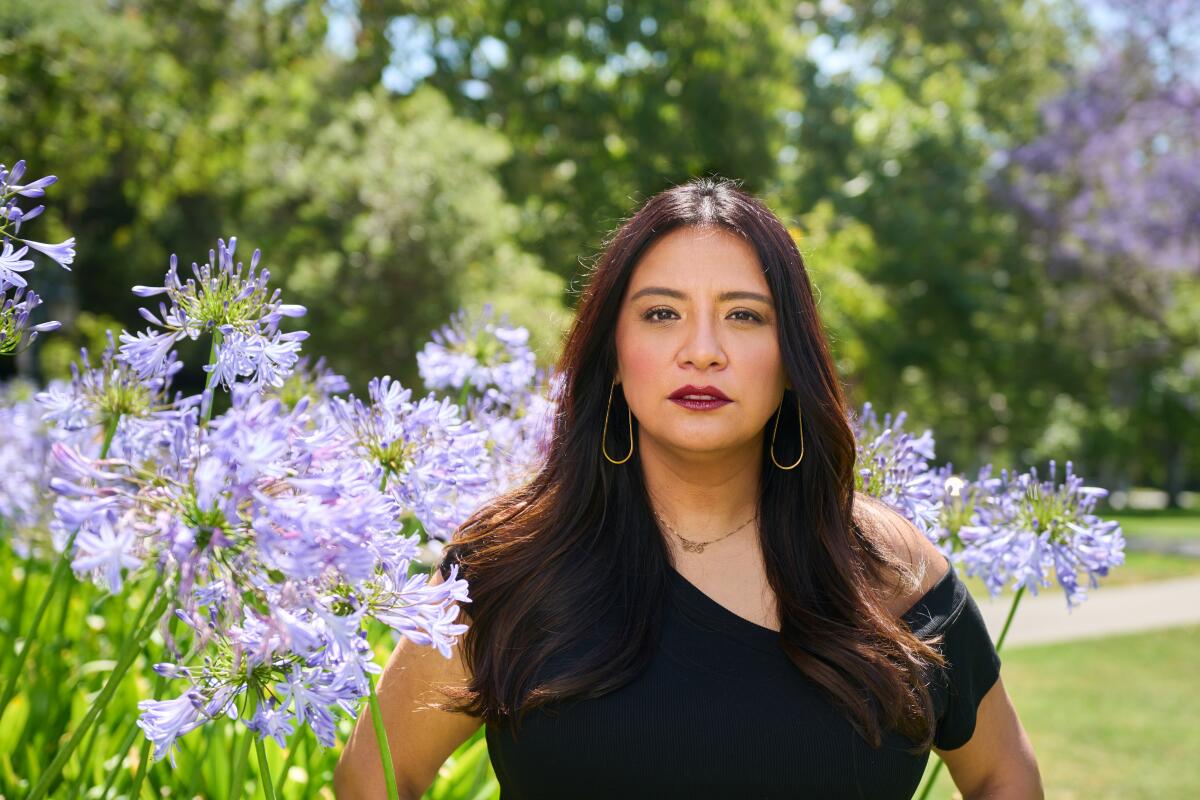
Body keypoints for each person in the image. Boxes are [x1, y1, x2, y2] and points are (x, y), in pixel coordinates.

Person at [334, 177, 1043, 799]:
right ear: (613, 354)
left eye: (744, 315)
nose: (702, 349)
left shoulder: (894, 571)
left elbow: (1000, 774)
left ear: (791, 358)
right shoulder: (507, 565)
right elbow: (373, 776)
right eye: (662, 312)